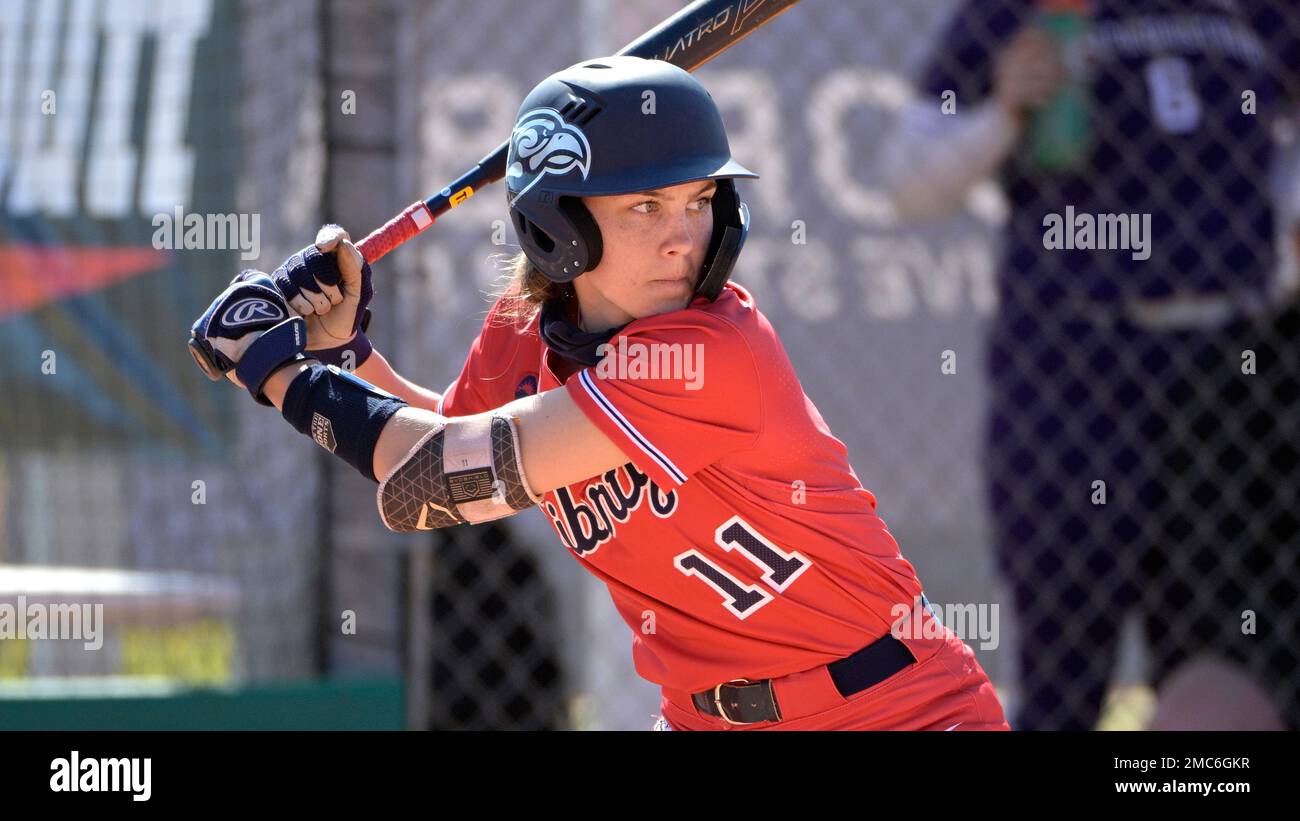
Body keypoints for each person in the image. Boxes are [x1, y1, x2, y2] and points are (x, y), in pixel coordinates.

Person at [189, 56, 1009, 730]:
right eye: (646, 205)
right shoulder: (526, 328)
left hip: (895, 708)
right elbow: (453, 437)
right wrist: (349, 355)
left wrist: (277, 370)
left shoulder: (710, 350)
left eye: (697, 200)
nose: (682, 236)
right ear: (560, 226)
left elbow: (436, 482)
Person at [879, 0, 1300, 729]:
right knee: (1065, 661)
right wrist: (1004, 112)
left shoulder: (1260, 12)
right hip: (1072, 365)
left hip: (1232, 374)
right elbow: (907, 182)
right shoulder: (1018, 11)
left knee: (1220, 660)